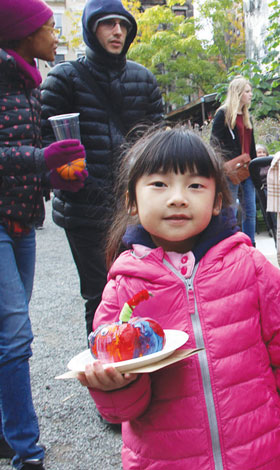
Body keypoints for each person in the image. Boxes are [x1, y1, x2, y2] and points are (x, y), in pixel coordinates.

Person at [76, 125, 280, 470]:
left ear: (218, 200)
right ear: (132, 199)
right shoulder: (123, 289)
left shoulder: (251, 267)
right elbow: (124, 411)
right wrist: (114, 387)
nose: (178, 197)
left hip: (256, 451)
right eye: (159, 184)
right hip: (165, 459)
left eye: (195, 185)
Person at [41, 0, 164, 339]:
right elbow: (42, 138)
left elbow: (158, 142)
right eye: (108, 24)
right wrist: (62, 171)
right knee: (99, 294)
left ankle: (143, 359)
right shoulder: (64, 79)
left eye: (123, 24)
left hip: (134, 208)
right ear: (90, 29)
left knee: (144, 287)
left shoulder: (143, 78)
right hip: (84, 209)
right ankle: (106, 369)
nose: (117, 31)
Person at [0, 0, 87, 468]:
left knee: (4, 335)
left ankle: (3, 433)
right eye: (49, 27)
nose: (56, 35)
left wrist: (59, 178)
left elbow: (32, 151)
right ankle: (26, 451)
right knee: (15, 336)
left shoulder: (31, 84)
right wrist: (43, 160)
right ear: (20, 33)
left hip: (22, 220)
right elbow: (25, 153)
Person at [211, 76, 258, 245]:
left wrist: (255, 167)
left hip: (248, 169)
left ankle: (250, 245)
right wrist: (225, 164)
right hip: (231, 170)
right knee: (230, 209)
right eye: (247, 91)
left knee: (250, 210)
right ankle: (229, 243)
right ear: (238, 93)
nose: (250, 94)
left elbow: (251, 145)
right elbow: (214, 143)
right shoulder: (223, 114)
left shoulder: (247, 116)